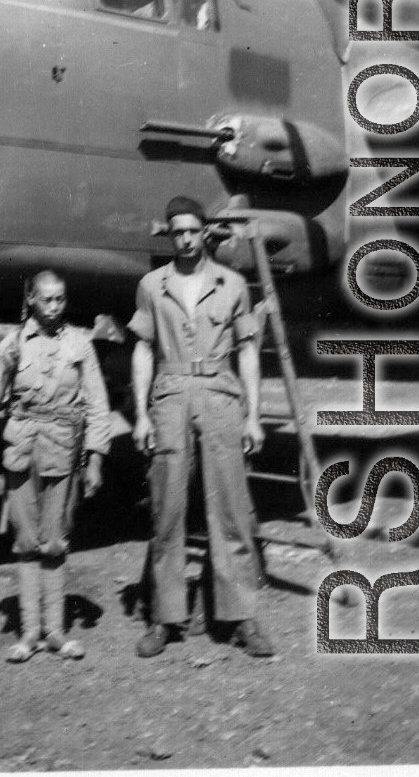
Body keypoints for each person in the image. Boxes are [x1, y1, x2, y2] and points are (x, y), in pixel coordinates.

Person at [129, 196, 274, 658]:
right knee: (167, 511)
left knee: (230, 510)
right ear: (169, 234)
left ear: (205, 232)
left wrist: (253, 415)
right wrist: (139, 413)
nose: (186, 239)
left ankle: (242, 618)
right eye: (178, 232)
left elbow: (248, 351)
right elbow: (143, 350)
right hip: (171, 394)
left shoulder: (231, 284)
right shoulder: (152, 286)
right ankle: (164, 617)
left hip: (219, 393)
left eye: (193, 231)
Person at [0, 270, 111, 662]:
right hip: (22, 447)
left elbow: (97, 405)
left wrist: (95, 460)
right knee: (26, 543)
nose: (55, 307)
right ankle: (28, 634)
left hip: (62, 448)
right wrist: (5, 369)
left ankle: (55, 633)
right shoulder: (11, 344)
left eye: (60, 299)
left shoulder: (80, 344)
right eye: (47, 300)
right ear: (31, 302)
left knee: (55, 542)